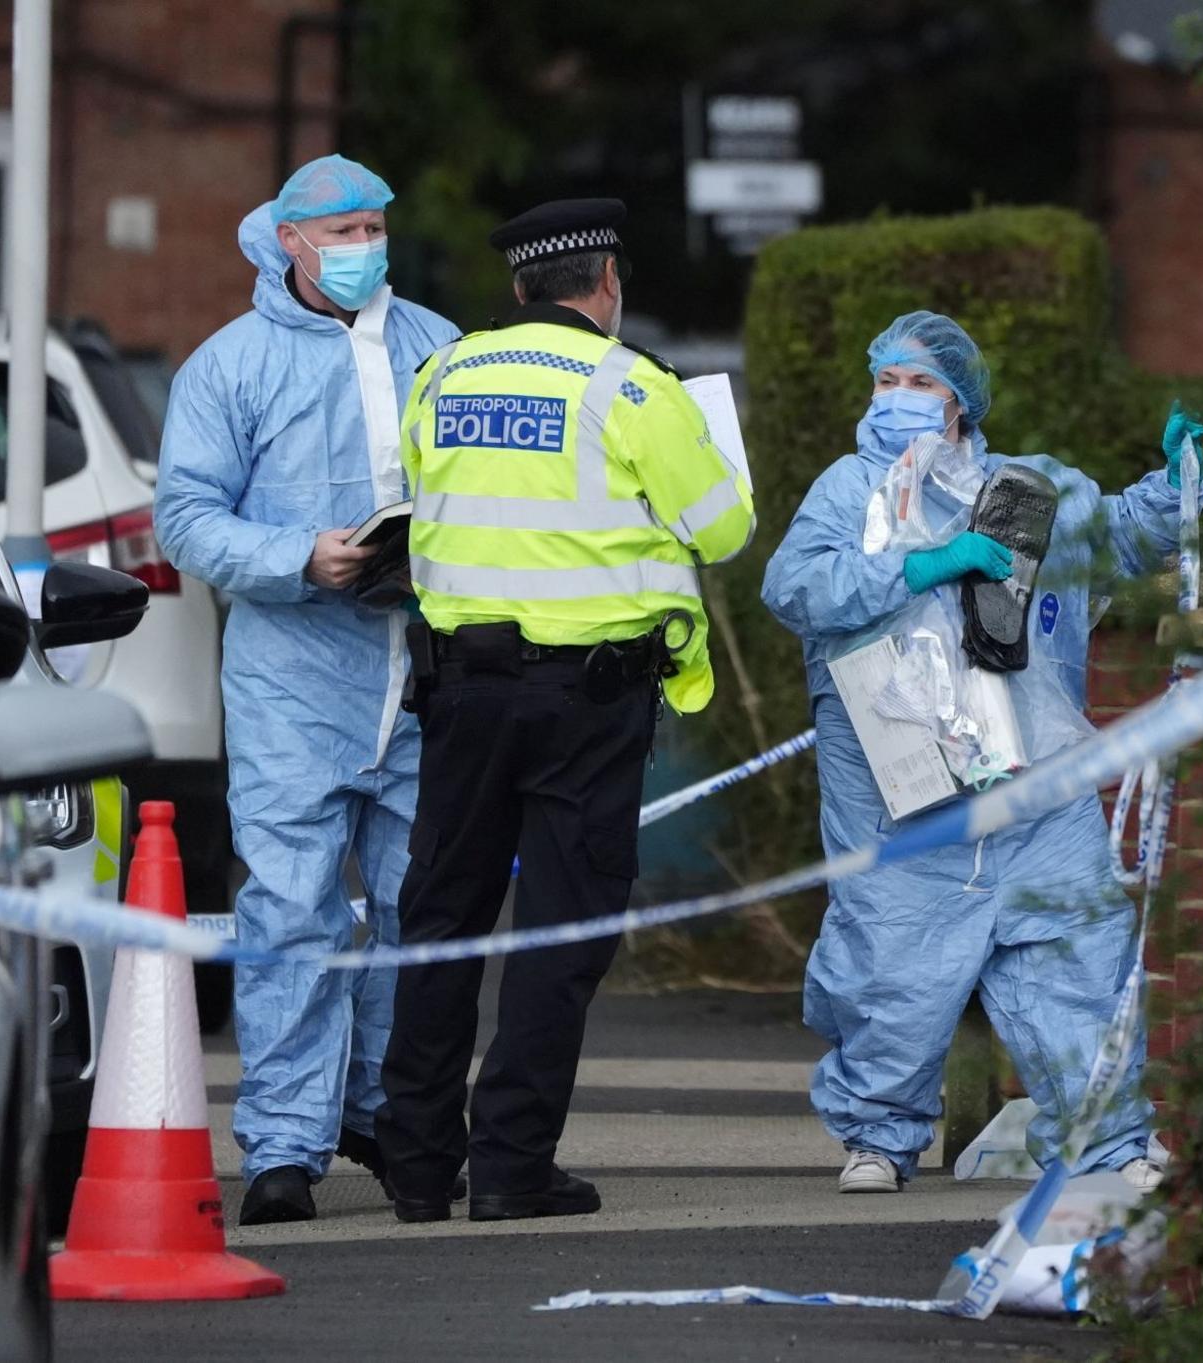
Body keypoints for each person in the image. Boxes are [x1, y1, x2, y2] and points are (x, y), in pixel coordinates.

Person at [761, 311, 1203, 1194]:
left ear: (961, 401)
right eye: (885, 380)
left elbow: (1117, 537)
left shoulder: (1032, 492)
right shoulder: (853, 492)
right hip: (903, 798)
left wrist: (1176, 481)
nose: (897, 398)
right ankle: (879, 1140)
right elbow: (795, 585)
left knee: (1076, 958)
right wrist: (920, 565)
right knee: (891, 962)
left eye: (920, 383)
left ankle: (1107, 1142)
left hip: (1037, 794)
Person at [375, 198, 755, 1223]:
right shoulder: (630, 386)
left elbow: (421, 491)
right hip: (585, 702)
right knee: (559, 928)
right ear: (607, 287)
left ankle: (414, 1166)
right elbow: (721, 531)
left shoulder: (443, 374)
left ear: (517, 290)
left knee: (441, 917)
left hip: (458, 693)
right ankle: (508, 1163)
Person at [156, 154, 461, 1224]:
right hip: (292, 675)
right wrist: (301, 557)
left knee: (420, 907)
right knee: (292, 906)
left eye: (374, 226)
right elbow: (186, 518)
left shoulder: (438, 347)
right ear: (286, 239)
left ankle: (386, 1114)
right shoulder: (229, 367)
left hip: (421, 670)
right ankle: (285, 1144)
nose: (362, 248)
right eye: (340, 232)